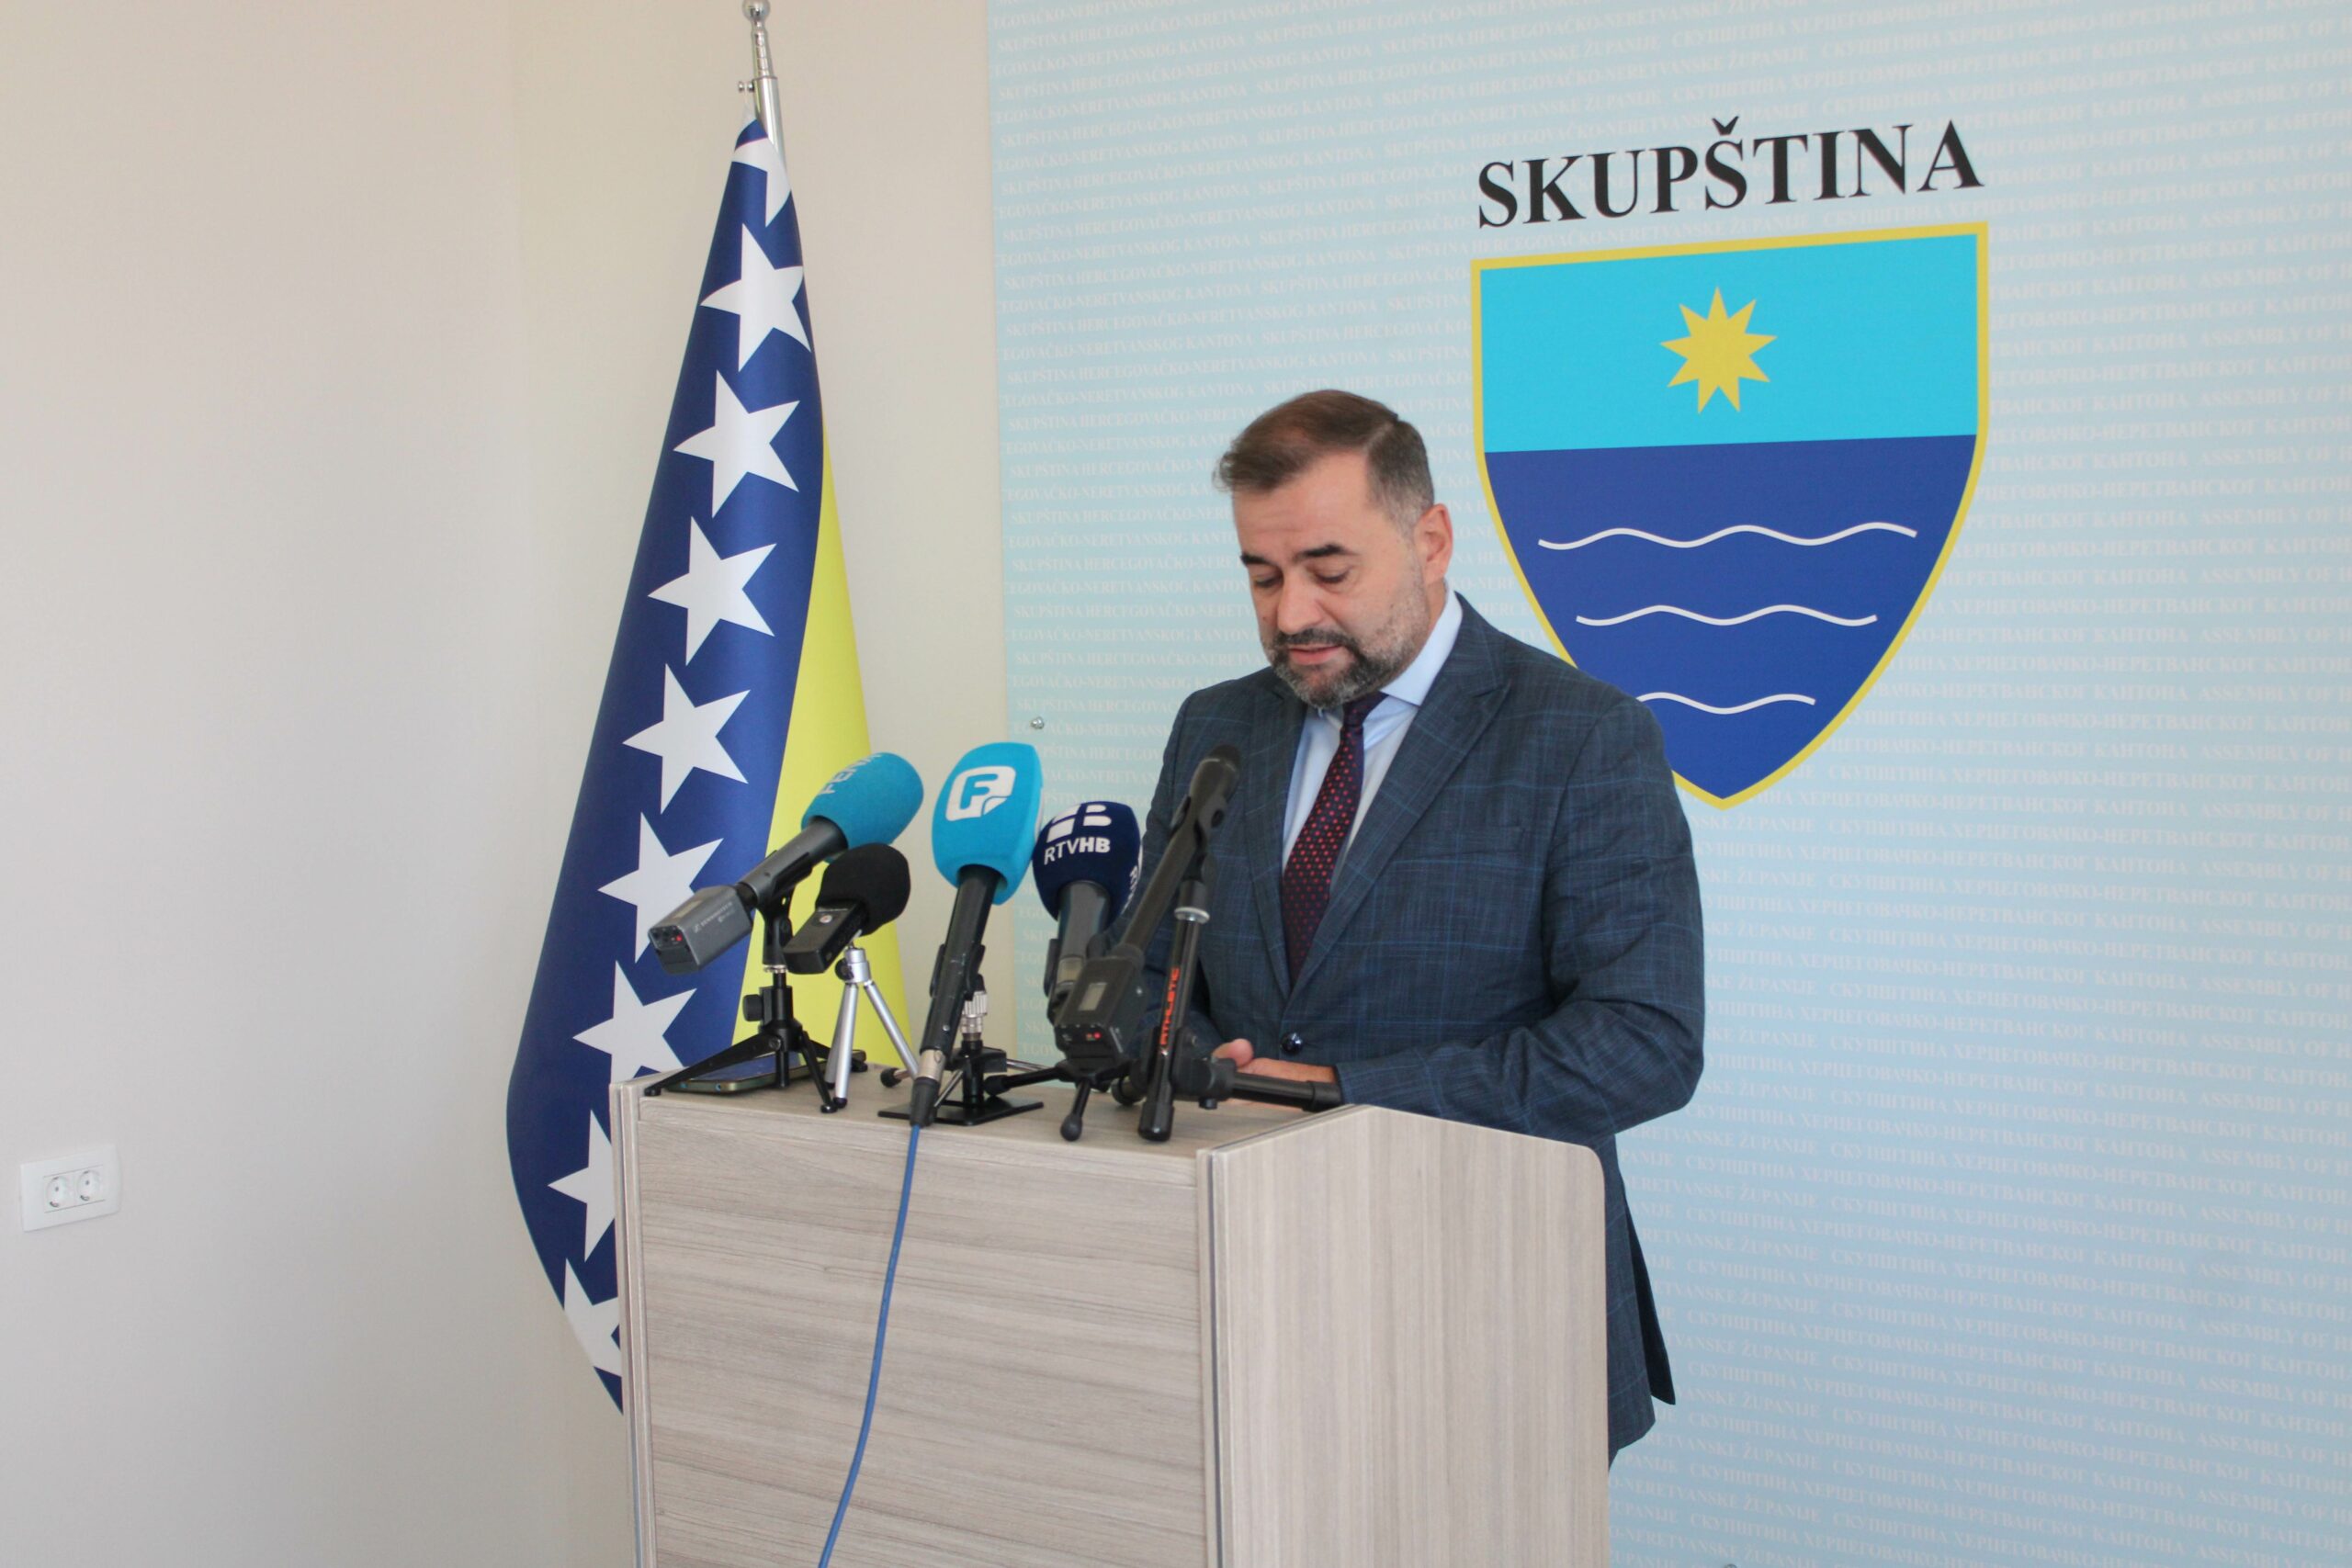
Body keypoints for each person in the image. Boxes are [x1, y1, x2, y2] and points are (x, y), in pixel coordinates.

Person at [1136, 389, 1704, 1457]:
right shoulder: (1216, 725)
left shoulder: (1583, 736)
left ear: (1429, 540)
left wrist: (1336, 1091)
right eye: (1262, 576)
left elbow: (1645, 1045)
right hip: (1248, 1290)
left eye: (1328, 570)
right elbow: (1148, 969)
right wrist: (1201, 1066)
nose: (1290, 614)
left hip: (1496, 1305)